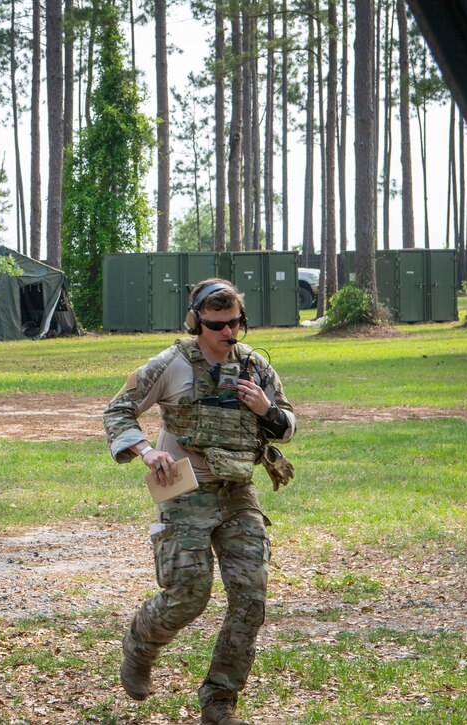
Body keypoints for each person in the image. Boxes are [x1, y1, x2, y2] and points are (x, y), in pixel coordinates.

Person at [102, 278, 296, 725]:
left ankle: (219, 700)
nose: (229, 334)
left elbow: (287, 425)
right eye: (218, 326)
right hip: (183, 489)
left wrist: (265, 409)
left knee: (250, 597)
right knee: (189, 595)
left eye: (236, 324)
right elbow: (118, 410)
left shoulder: (256, 367)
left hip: (237, 492)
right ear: (197, 323)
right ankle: (141, 644)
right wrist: (147, 451)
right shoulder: (171, 363)